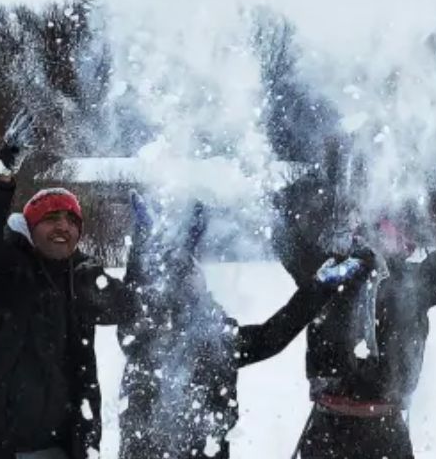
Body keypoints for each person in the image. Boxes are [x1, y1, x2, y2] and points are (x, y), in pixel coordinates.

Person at [0, 110, 130, 459]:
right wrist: (0, 174)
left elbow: (133, 307)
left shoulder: (82, 279)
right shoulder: (0, 272)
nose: (63, 226)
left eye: (72, 220)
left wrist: (156, 247)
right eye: (51, 218)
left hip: (59, 450)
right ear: (30, 229)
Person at [116, 193, 370, 459]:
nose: (198, 275)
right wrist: (141, 247)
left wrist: (318, 288)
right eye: (190, 273)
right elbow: (133, 301)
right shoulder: (147, 335)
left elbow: (273, 335)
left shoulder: (216, 336)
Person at [273, 196, 436, 459]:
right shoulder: (330, 275)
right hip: (335, 428)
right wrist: (280, 215)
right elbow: (291, 248)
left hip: (379, 431)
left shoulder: (413, 282)